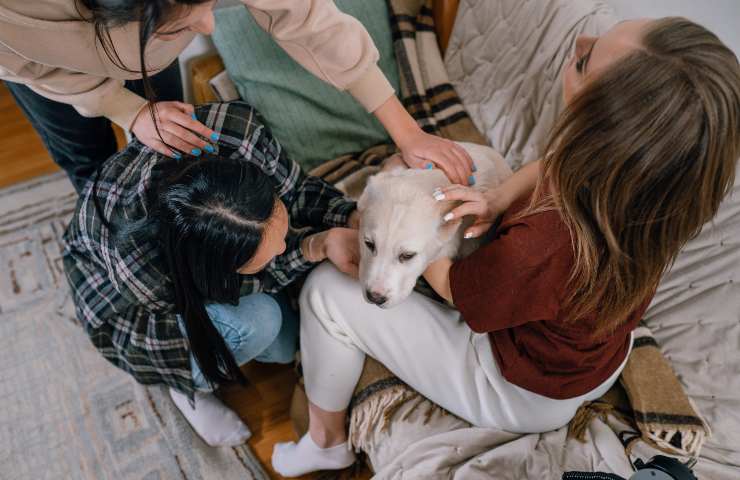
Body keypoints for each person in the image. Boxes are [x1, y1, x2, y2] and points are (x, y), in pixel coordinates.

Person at [271, 17, 740, 477]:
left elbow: (461, 293)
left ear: (607, 122)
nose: (580, 36)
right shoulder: (649, 189)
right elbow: (549, 164)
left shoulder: (542, 246)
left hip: (524, 390)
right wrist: (498, 197)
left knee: (326, 291)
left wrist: (422, 236)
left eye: (585, 60)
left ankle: (325, 443)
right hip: (595, 361)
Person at [63, 101, 361, 446]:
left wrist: (350, 215)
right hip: (129, 309)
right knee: (263, 322)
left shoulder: (237, 130)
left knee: (285, 346)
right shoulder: (139, 267)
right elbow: (231, 287)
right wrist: (313, 246)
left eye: (278, 228)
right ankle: (185, 385)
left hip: (189, 265)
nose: (283, 247)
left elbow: (296, 189)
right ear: (214, 267)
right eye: (268, 252)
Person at [0, 0, 473, 192]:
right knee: (89, 164)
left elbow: (307, 19)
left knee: (165, 151)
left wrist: (406, 131)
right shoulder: (19, 16)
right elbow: (35, 67)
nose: (210, 26)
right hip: (48, 78)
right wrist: (125, 110)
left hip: (144, 56)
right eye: (186, 18)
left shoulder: (162, 36)